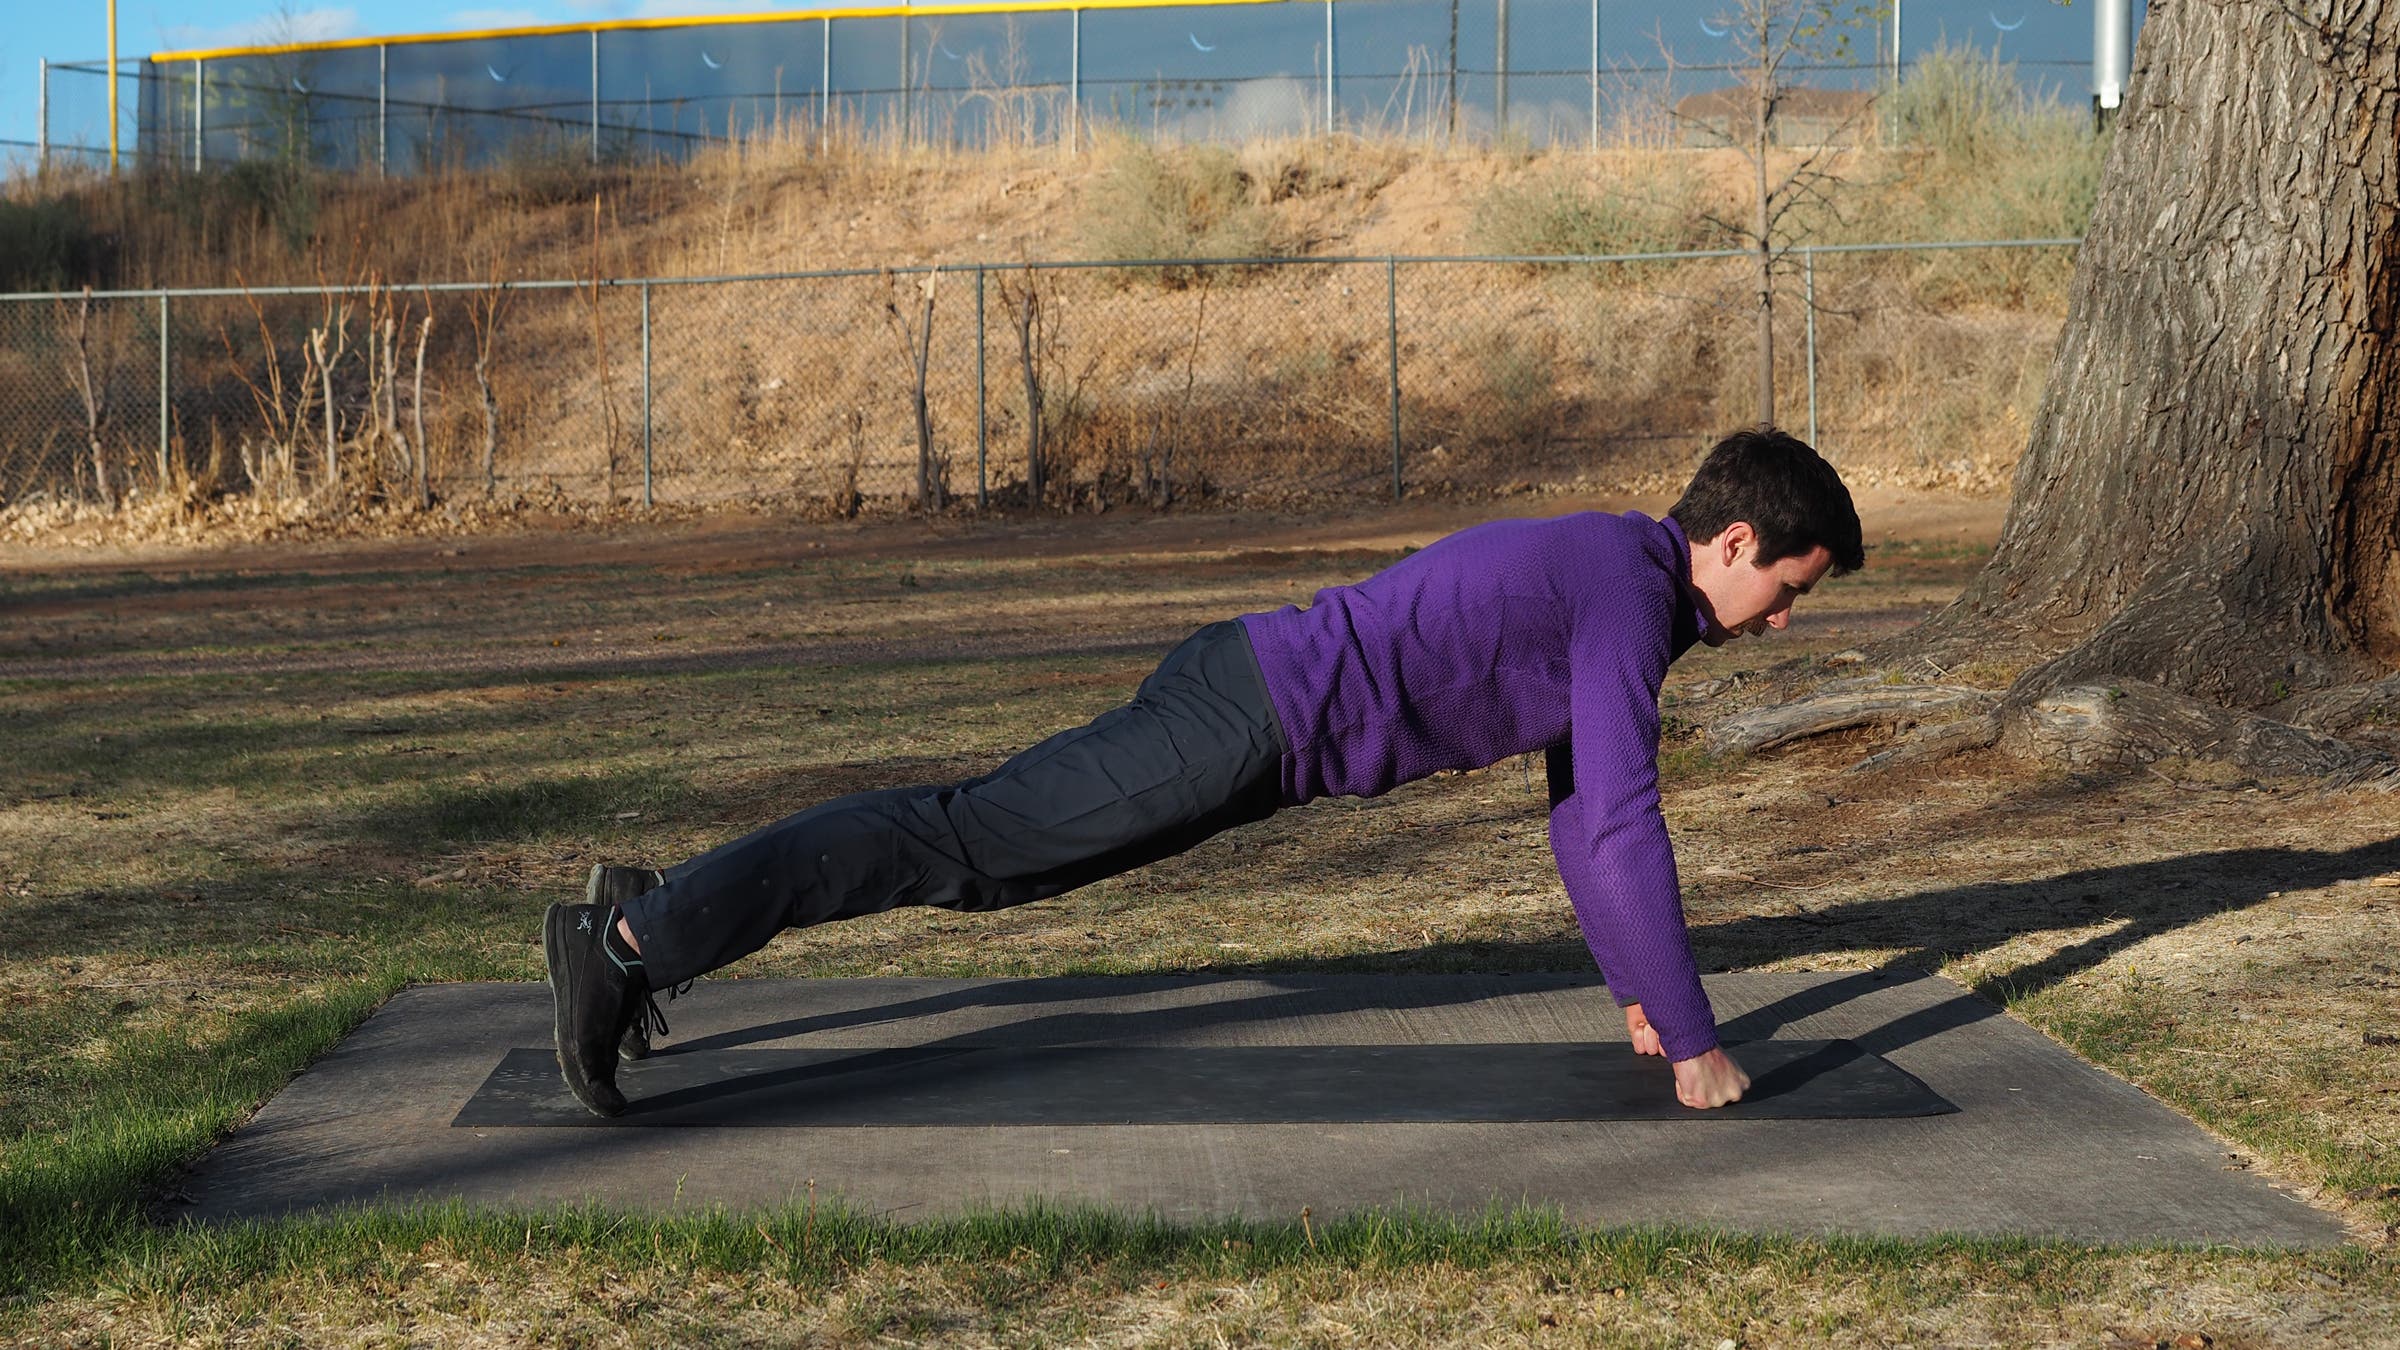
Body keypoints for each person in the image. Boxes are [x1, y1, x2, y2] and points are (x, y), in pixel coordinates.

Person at [544, 426, 1865, 1118]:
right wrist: (1694, 1040)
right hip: (1248, 714)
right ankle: (627, 937)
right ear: (1736, 539)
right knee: (967, 840)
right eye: (1790, 590)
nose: (1785, 620)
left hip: (1252, 712)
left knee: (983, 856)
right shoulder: (1627, 592)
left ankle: (655, 907)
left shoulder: (1619, 580)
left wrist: (1643, 990)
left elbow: (1581, 806)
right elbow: (1625, 819)